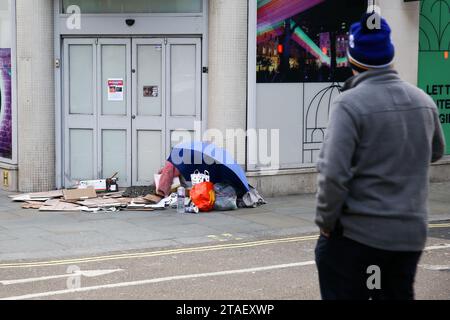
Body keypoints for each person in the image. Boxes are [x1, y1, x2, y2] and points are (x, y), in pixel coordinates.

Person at [314, 13, 445, 300]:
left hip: (359, 237)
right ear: (391, 56)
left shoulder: (349, 104)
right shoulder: (424, 102)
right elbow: (437, 152)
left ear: (351, 61)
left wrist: (325, 223)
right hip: (409, 235)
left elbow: (333, 174)